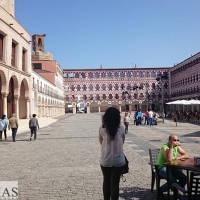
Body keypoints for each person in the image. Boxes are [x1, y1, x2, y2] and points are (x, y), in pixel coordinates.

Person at [99, 107, 125, 200]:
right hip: (118, 160)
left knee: (106, 181)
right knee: (115, 183)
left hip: (105, 160)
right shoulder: (121, 129)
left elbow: (101, 142)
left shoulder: (102, 129)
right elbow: (123, 142)